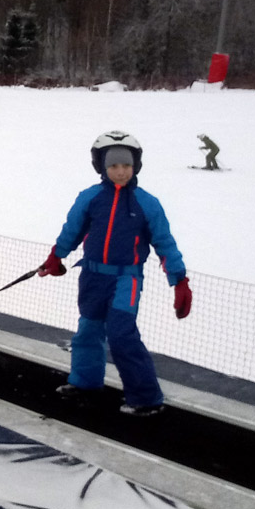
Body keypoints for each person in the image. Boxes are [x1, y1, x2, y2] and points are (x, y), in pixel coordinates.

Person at [37, 131, 191, 417]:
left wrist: (179, 280)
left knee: (121, 334)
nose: (120, 172)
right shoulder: (90, 198)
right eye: (114, 166)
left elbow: (165, 243)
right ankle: (85, 383)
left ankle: (146, 397)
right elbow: (72, 230)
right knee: (88, 330)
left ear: (136, 166)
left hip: (125, 279)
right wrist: (56, 257)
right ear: (102, 167)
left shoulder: (147, 203)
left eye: (126, 166)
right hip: (93, 276)